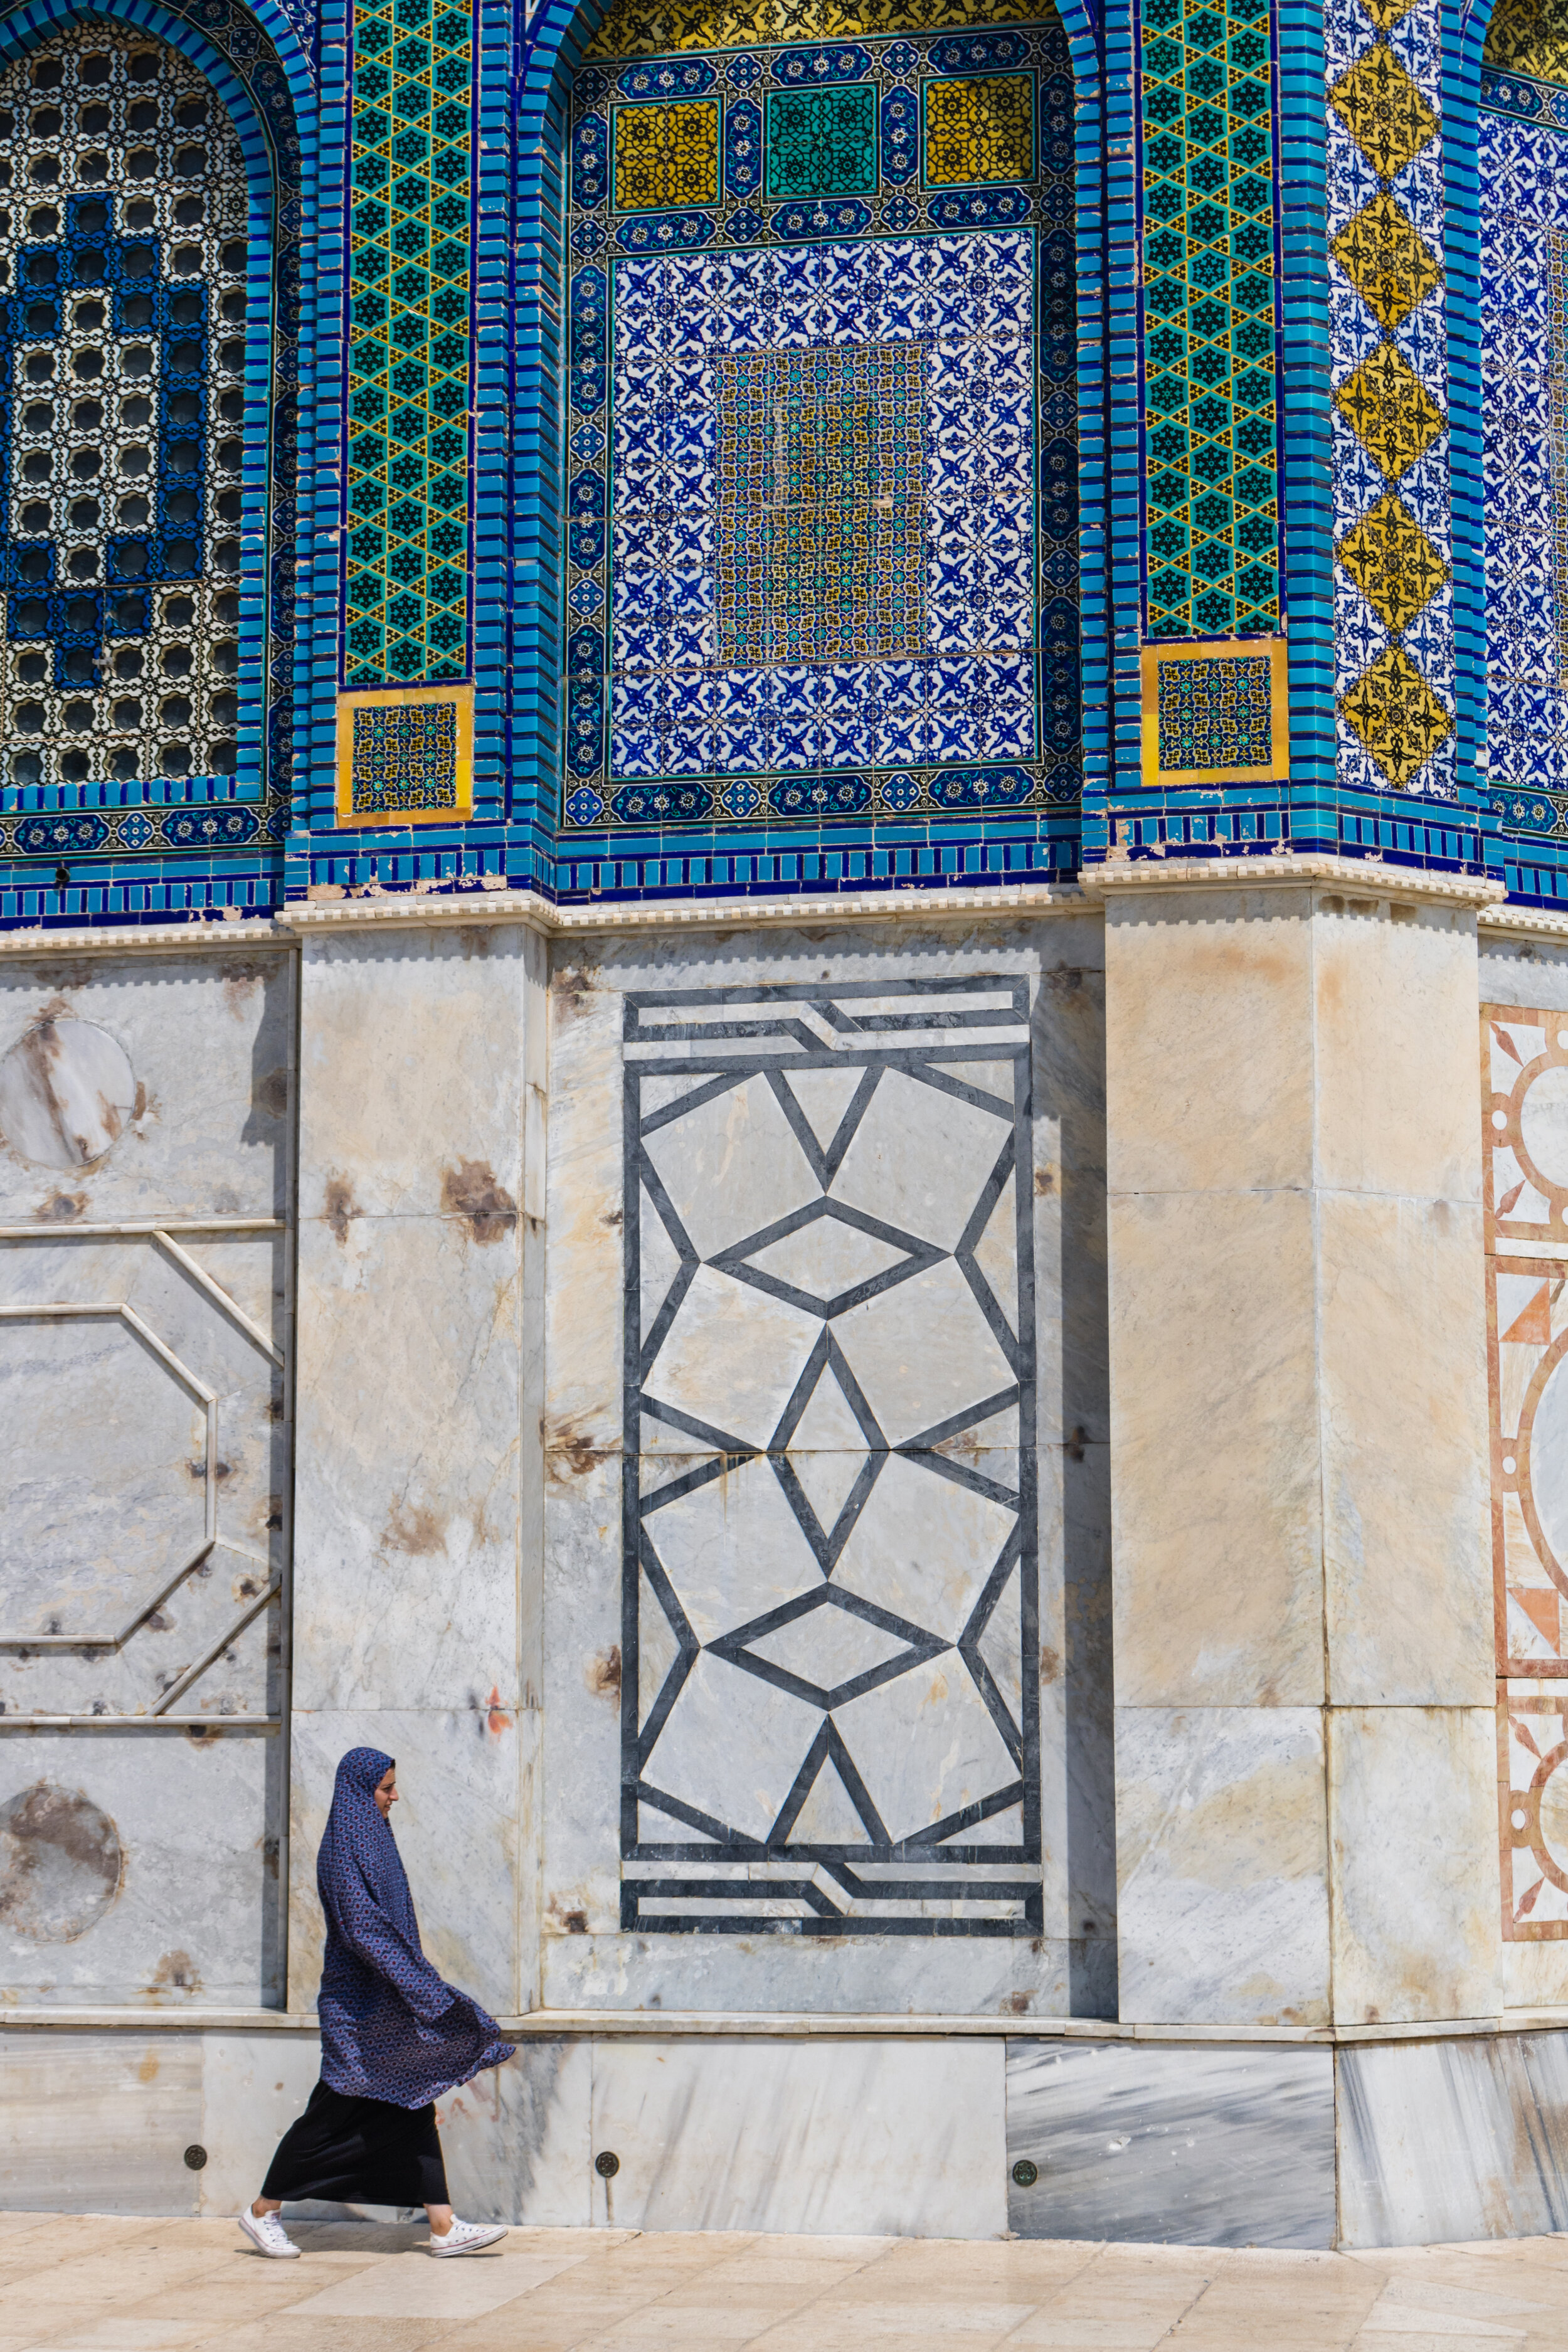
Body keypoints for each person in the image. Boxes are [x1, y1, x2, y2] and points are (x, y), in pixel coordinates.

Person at [240, 1747, 517, 2259]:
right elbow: (364, 1931)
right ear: (360, 1791)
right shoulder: (343, 1848)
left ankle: (442, 2226)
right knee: (330, 2116)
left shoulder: (372, 1839)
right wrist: (423, 1987)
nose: (394, 1796)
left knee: (413, 2100)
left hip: (387, 2006)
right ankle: (262, 2210)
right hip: (359, 2010)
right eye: (386, 1788)